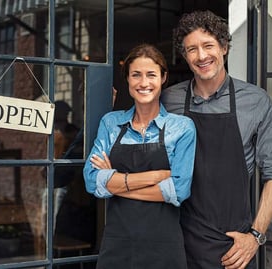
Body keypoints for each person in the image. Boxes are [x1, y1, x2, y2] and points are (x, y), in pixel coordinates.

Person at [161, 10, 272, 269]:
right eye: (192, 49)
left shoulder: (255, 101)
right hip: (176, 240)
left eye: (208, 45)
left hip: (233, 247)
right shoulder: (168, 99)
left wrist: (255, 236)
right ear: (185, 56)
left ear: (224, 47)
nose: (201, 56)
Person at [83, 43, 196, 269]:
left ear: (163, 78)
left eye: (151, 75)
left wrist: (116, 184)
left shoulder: (182, 128)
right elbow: (91, 180)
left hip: (164, 248)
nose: (144, 83)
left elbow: (179, 191)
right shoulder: (111, 123)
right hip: (117, 245)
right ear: (127, 79)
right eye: (136, 75)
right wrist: (156, 176)